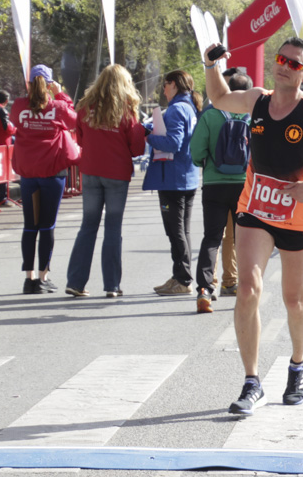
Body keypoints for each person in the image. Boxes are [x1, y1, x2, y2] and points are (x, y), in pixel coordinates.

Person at [203, 38, 303, 415]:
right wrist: (211, 66)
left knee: (294, 301)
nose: (284, 66)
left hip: (296, 216)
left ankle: (297, 365)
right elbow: (220, 99)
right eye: (280, 59)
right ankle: (251, 381)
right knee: (247, 289)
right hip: (256, 209)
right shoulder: (257, 100)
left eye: (294, 64)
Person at [64, 64, 146, 298]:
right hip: (116, 174)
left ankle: (75, 281)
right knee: (113, 228)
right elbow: (136, 148)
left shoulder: (84, 107)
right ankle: (111, 285)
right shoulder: (127, 110)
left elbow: (79, 138)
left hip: (89, 171)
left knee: (87, 226)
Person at [10, 64, 78, 294]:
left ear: (29, 83)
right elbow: (74, 121)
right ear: (49, 84)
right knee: (47, 226)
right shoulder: (57, 105)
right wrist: (61, 94)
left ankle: (29, 279)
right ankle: (43, 277)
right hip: (52, 171)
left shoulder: (19, 106)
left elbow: (14, 121)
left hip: (28, 172)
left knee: (30, 225)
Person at [190, 69, 252, 313]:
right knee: (244, 240)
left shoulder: (211, 115)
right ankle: (245, 287)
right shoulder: (255, 117)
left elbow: (196, 150)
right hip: (244, 186)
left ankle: (205, 289)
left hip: (214, 185)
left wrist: (205, 164)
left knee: (212, 237)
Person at [144, 70, 201, 296]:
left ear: (175, 85)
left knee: (175, 230)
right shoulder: (189, 107)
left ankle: (182, 279)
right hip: (185, 176)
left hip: (173, 179)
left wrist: (147, 135)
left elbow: (173, 143)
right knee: (181, 230)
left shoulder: (177, 109)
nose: (163, 90)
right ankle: (180, 275)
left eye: (165, 85)